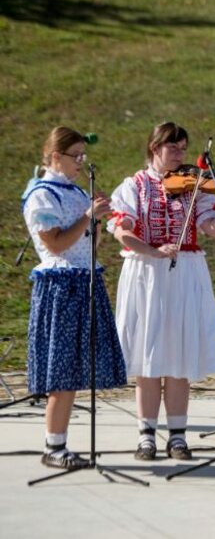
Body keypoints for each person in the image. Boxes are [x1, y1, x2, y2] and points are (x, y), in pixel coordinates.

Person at [108, 122, 215, 460]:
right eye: (173, 148)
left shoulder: (194, 188)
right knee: (148, 356)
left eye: (184, 149)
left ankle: (177, 435)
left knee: (178, 356)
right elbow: (121, 232)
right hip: (146, 272)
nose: (180, 155)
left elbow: (214, 229)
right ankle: (146, 435)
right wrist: (152, 250)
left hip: (185, 272)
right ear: (154, 147)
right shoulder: (134, 186)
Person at [22, 126, 127, 469]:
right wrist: (87, 217)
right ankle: (53, 447)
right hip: (61, 285)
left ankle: (60, 443)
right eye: (75, 155)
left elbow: (88, 245)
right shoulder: (42, 195)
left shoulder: (77, 191)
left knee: (76, 371)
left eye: (84, 155)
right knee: (61, 372)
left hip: (84, 281)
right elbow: (55, 244)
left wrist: (96, 224)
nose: (82, 161)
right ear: (56, 157)